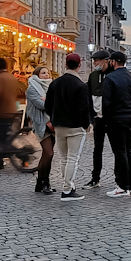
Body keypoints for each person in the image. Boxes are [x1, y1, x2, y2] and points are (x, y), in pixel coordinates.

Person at [45, 54, 92, 201]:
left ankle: (68, 186)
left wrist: (54, 119)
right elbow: (84, 109)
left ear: (65, 65)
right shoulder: (81, 85)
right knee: (73, 158)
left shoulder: (55, 83)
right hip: (75, 127)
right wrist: (86, 125)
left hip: (59, 126)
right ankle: (67, 189)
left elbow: (47, 106)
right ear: (79, 65)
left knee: (64, 158)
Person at [102, 51, 131, 197]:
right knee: (127, 150)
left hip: (115, 118)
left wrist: (106, 122)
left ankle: (122, 185)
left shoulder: (110, 78)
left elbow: (106, 103)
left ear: (113, 62)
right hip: (129, 117)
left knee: (119, 152)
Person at [0, 58, 32, 169]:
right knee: (0, 137)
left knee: (0, 139)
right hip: (11, 110)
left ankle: (22, 155)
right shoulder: (11, 77)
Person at [26, 66, 55, 194]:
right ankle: (43, 182)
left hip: (52, 123)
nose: (46, 75)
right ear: (36, 75)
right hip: (41, 124)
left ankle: (42, 182)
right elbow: (43, 106)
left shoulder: (50, 87)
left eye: (47, 73)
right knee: (49, 153)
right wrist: (50, 101)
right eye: (43, 73)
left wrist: (49, 100)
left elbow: (53, 103)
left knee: (47, 154)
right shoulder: (32, 89)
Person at [85, 50, 112, 188]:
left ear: (106, 61)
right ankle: (95, 178)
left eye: (97, 61)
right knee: (97, 149)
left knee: (118, 149)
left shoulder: (113, 75)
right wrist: (91, 117)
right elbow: (89, 96)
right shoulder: (93, 76)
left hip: (112, 119)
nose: (95, 63)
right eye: (94, 61)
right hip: (98, 118)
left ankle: (121, 180)